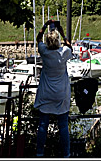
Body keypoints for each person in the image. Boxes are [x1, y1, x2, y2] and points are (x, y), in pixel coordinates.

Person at [33, 20, 72, 158]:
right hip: (61, 93)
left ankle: (39, 153)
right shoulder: (64, 52)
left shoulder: (44, 52)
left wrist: (44, 26)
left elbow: (38, 39)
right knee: (63, 126)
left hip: (46, 93)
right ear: (58, 41)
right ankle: (66, 154)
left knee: (43, 125)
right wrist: (62, 31)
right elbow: (69, 45)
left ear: (47, 42)